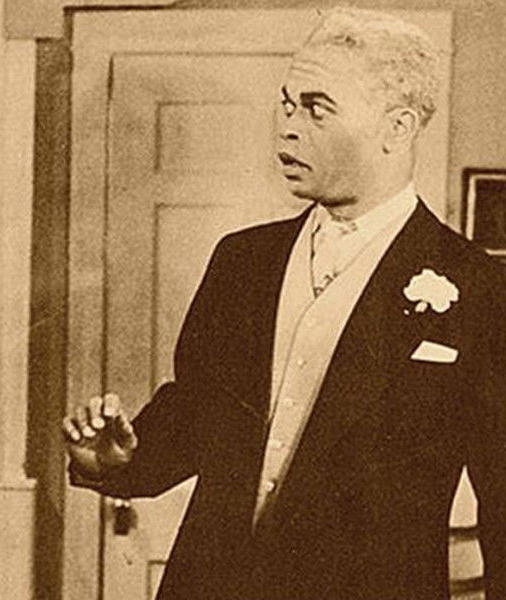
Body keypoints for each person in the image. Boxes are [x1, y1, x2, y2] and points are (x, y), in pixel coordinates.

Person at [62, 7, 506, 599]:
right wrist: (115, 463)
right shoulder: (243, 261)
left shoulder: (480, 290)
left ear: (397, 128)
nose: (287, 129)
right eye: (288, 104)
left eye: (317, 108)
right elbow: (197, 413)